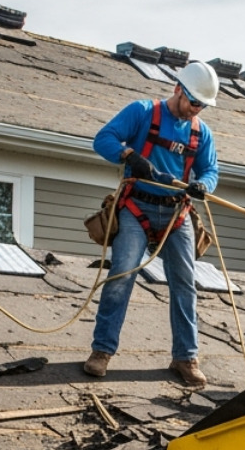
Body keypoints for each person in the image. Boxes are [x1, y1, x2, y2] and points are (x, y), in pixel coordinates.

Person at [83, 61, 221, 390]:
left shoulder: (201, 134)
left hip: (176, 214)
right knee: (121, 275)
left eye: (202, 105)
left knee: (185, 285)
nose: (195, 109)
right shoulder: (142, 112)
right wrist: (129, 155)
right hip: (136, 206)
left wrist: (203, 185)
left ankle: (185, 357)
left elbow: (211, 172)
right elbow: (103, 140)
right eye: (193, 102)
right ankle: (102, 351)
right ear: (178, 89)